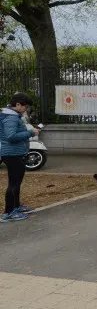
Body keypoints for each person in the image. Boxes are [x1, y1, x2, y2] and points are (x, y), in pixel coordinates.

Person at [0, 93, 39, 223]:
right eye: (25, 106)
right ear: (17, 105)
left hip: (14, 153)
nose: (25, 109)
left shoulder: (13, 115)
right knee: (14, 184)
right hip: (11, 154)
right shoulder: (11, 118)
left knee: (16, 183)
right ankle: (9, 213)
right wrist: (30, 132)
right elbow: (11, 136)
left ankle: (16, 207)